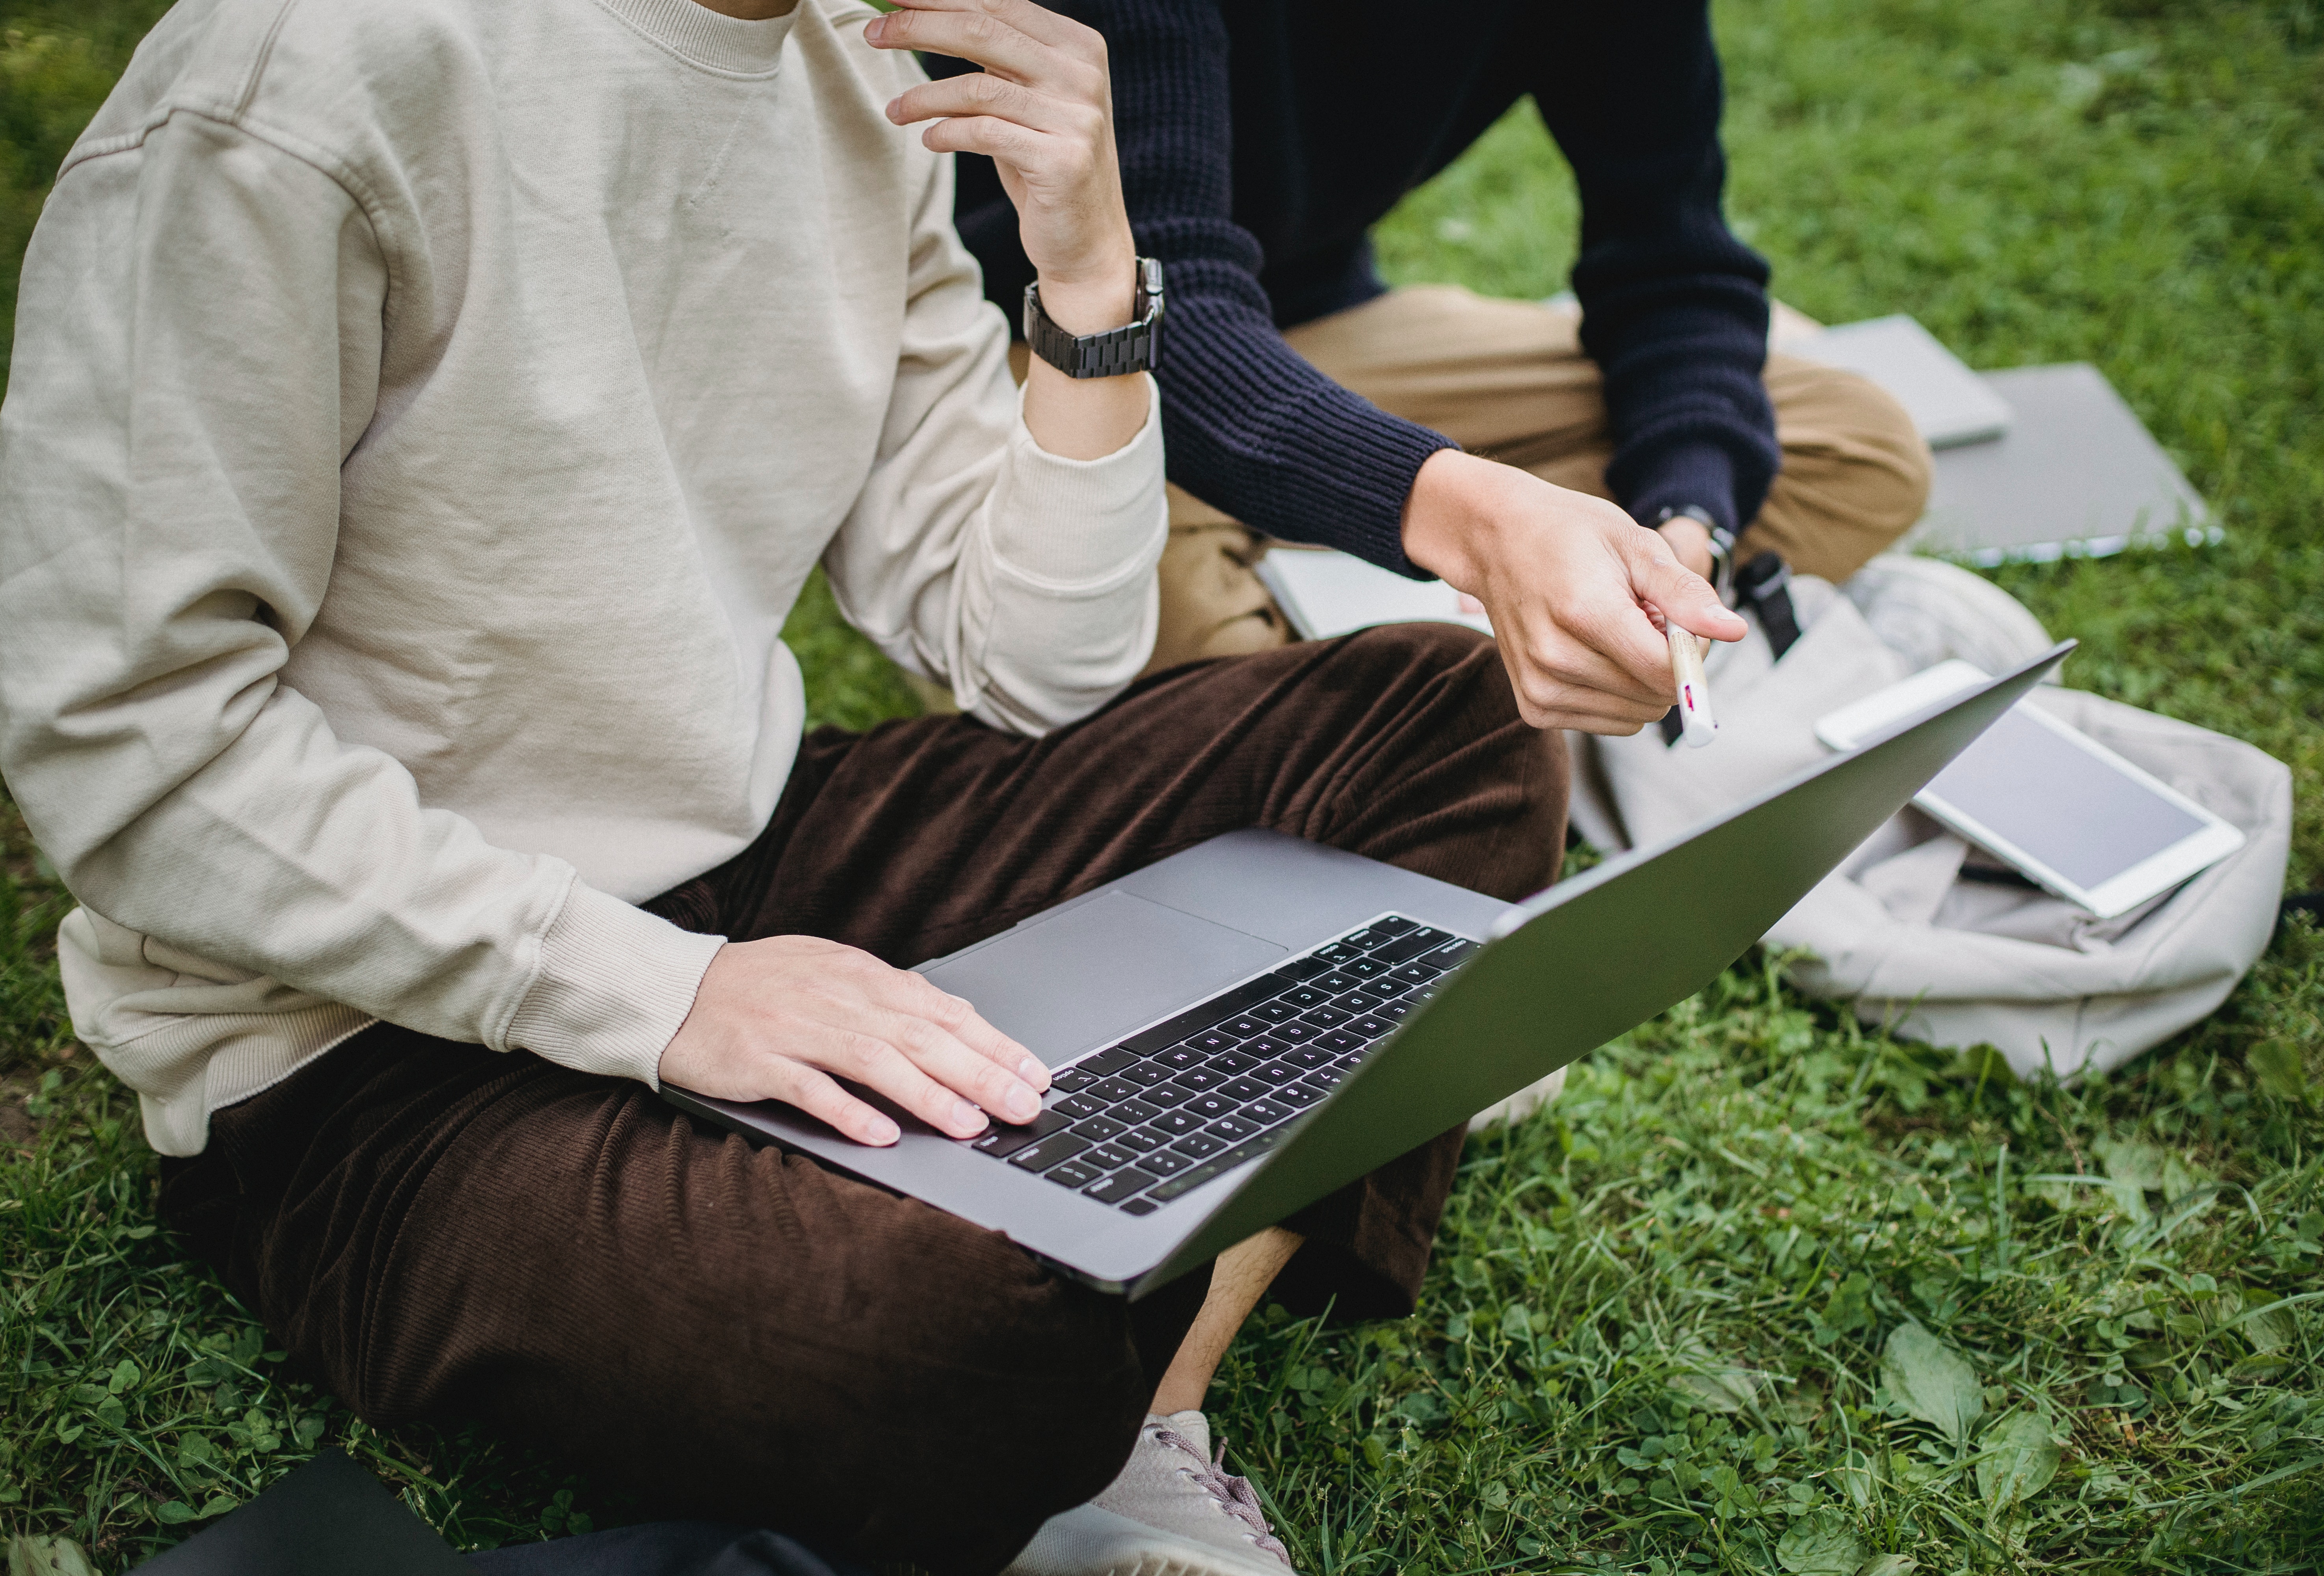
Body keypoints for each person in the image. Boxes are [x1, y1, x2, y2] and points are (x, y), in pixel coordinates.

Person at [0, 0, 1701, 1572]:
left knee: (1450, 714)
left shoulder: (860, 77)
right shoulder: (300, 81)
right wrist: (670, 997)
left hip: (760, 860)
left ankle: (1146, 1411)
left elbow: (1033, 660)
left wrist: (1093, 283)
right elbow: (127, 750)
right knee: (960, 1332)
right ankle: (1138, 1291)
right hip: (363, 1053)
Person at [931, 0, 1934, 699]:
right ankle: (1352, 636)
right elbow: (1154, 289)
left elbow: (1675, 261)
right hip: (1049, 348)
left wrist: (1683, 520)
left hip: (1317, 323)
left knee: (1852, 443)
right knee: (1146, 668)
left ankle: (1380, 629)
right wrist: (1475, 519)